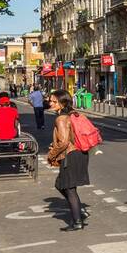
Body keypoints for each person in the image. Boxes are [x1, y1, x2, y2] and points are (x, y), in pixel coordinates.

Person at [46, 90, 89, 232]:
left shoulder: (61, 118)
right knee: (62, 185)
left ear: (62, 103)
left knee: (69, 188)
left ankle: (77, 221)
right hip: (78, 153)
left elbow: (64, 142)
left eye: (53, 101)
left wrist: (52, 154)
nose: (50, 103)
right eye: (50, 100)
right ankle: (79, 211)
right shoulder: (72, 114)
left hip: (70, 154)